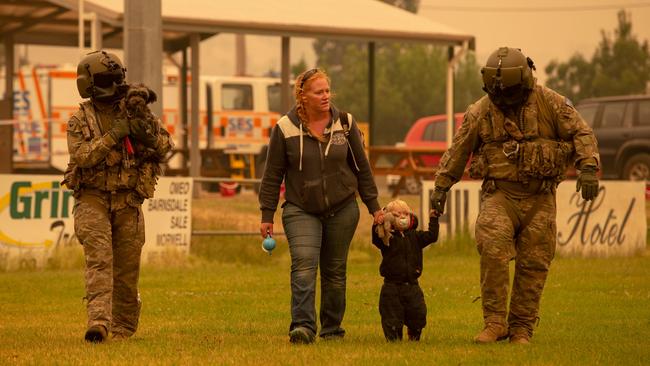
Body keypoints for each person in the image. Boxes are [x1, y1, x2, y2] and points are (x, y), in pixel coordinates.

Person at [430, 47, 600, 345]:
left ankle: (521, 328)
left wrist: (587, 166)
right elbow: (458, 150)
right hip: (500, 194)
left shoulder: (551, 103)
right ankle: (495, 322)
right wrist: (442, 186)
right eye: (499, 94)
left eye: (510, 93)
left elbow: (581, 133)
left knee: (534, 263)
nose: (504, 100)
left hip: (540, 197)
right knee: (493, 246)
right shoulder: (481, 111)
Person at [258, 68, 383, 344]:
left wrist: (375, 208)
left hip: (343, 208)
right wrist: (267, 215)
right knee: (303, 264)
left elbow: (362, 169)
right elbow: (272, 175)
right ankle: (302, 326)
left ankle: (332, 329)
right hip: (300, 208)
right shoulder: (284, 128)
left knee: (334, 271)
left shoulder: (346, 124)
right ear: (303, 96)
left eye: (327, 90)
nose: (326, 96)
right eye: (319, 92)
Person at [63, 50, 173, 342]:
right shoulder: (80, 119)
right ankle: (99, 321)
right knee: (100, 260)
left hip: (128, 200)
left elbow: (165, 145)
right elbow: (83, 156)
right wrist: (115, 134)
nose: (115, 85)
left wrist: (146, 135)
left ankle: (123, 327)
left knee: (127, 267)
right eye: (107, 80)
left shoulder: (134, 110)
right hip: (93, 198)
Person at [371, 199, 439, 342]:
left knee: (418, 314)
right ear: (389, 219)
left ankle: (414, 335)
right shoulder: (386, 239)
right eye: (397, 214)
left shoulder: (416, 236)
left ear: (411, 217)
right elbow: (376, 239)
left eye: (405, 214)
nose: (402, 217)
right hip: (391, 287)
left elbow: (432, 236)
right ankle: (394, 339)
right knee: (391, 317)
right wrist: (378, 221)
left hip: (412, 285)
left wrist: (434, 218)